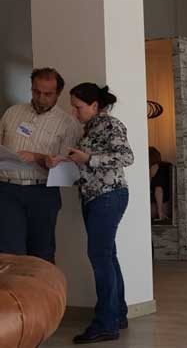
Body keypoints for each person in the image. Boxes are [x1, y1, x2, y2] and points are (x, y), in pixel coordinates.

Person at [51, 83, 133, 343]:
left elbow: (126, 157)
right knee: (108, 256)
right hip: (95, 198)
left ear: (95, 105)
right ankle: (117, 314)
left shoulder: (111, 125)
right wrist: (65, 161)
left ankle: (106, 323)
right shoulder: (90, 128)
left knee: (100, 258)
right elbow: (87, 162)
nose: (74, 112)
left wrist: (87, 159)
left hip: (108, 197)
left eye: (78, 107)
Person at [0, 67, 82, 262]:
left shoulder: (68, 124)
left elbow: (67, 169)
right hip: (7, 190)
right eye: (36, 92)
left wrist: (38, 157)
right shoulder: (12, 112)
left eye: (47, 94)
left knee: (42, 253)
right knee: (9, 253)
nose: (41, 98)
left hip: (42, 192)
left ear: (58, 94)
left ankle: (43, 284)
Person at [149, 147, 172, 224]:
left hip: (162, 206)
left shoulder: (154, 167)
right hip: (170, 206)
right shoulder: (168, 166)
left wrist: (160, 212)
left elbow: (158, 189)